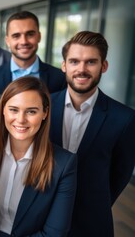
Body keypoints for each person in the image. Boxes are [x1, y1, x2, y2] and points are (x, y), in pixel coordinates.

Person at [0, 76, 77, 236]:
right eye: (14, 109)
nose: (21, 119)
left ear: (45, 113)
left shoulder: (64, 164)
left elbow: (54, 233)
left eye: (31, 111)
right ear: (3, 109)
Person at [50, 31, 135, 236]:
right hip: (42, 217)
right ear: (64, 66)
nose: (81, 69)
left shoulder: (125, 118)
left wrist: (96, 203)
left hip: (91, 223)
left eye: (90, 62)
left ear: (103, 66)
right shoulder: (43, 107)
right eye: (74, 61)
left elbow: (120, 174)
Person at [0, 11, 66, 94]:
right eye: (16, 36)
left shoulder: (59, 78)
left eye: (30, 34)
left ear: (39, 37)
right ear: (7, 41)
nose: (24, 42)